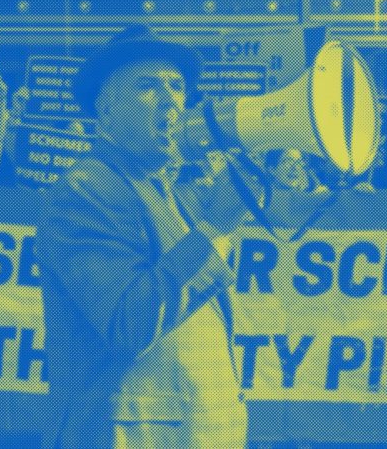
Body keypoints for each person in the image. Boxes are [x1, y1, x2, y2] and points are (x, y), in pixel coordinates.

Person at [36, 24, 252, 448]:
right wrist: (213, 231)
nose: (172, 100)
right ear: (106, 109)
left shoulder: (177, 190)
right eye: (148, 87)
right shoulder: (85, 190)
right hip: (135, 433)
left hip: (204, 427)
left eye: (177, 86)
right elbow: (128, 324)